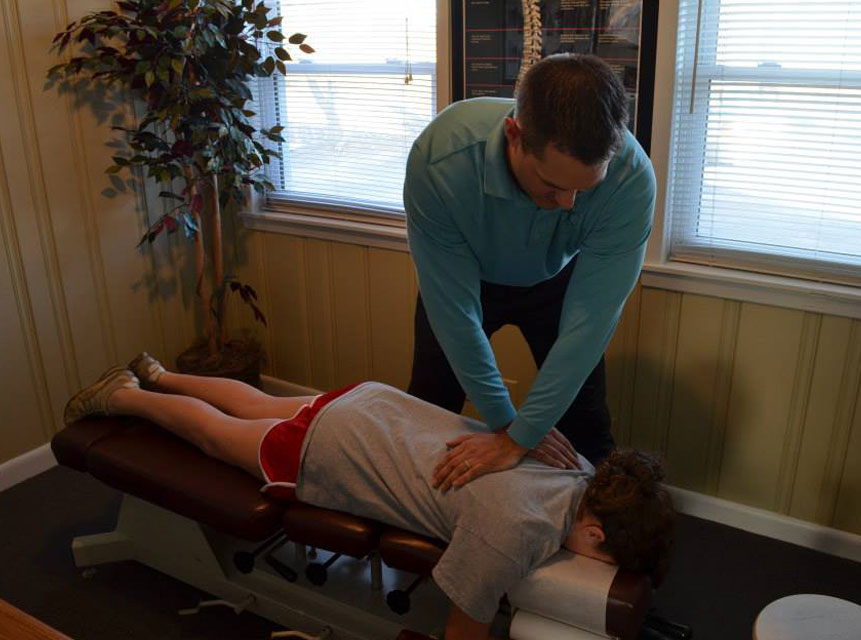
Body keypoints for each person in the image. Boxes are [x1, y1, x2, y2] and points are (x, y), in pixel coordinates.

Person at [64, 354, 675, 640]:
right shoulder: (516, 530)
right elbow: (463, 628)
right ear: (594, 535)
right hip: (335, 449)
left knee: (254, 402)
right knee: (214, 434)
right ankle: (121, 396)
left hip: (375, 405)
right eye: (602, 562)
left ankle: (160, 372)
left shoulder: (582, 468)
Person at [403, 53, 657, 492]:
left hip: (559, 282)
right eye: (553, 185)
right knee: (430, 406)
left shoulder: (631, 182)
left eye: (584, 189)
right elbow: (456, 315)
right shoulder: (440, 159)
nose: (568, 204)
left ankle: (595, 544)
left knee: (587, 426)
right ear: (514, 135)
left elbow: (589, 326)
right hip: (467, 280)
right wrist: (506, 426)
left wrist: (525, 434)